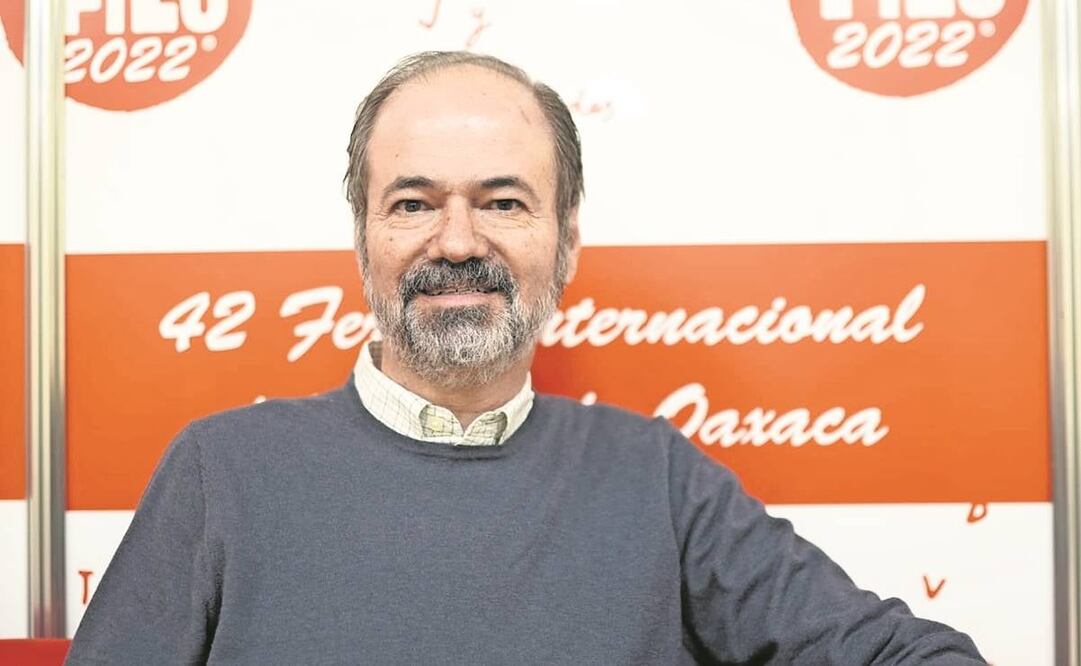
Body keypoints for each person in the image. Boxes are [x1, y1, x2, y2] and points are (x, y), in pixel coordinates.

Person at [66, 51, 986, 664]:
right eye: (414, 203)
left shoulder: (657, 478)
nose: (457, 241)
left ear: (567, 239)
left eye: (503, 202)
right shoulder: (221, 469)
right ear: (363, 241)